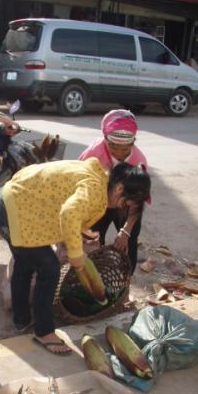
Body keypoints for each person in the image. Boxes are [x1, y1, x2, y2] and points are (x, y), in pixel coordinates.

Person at [0, 158, 151, 355]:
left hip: (10, 202)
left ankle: (21, 318)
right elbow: (69, 213)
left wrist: (82, 231)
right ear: (119, 189)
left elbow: (64, 200)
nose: (122, 208)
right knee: (49, 268)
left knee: (26, 263)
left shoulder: (98, 177)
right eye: (126, 204)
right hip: (15, 210)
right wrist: (77, 255)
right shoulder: (95, 190)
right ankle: (43, 331)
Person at [79, 109, 149, 272]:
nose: (120, 153)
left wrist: (125, 231)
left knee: (129, 244)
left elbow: (138, 201)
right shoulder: (92, 154)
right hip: (97, 203)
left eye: (125, 149)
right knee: (93, 243)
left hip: (126, 206)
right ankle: (96, 277)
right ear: (105, 140)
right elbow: (79, 186)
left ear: (133, 143)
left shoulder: (139, 161)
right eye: (114, 148)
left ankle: (125, 283)